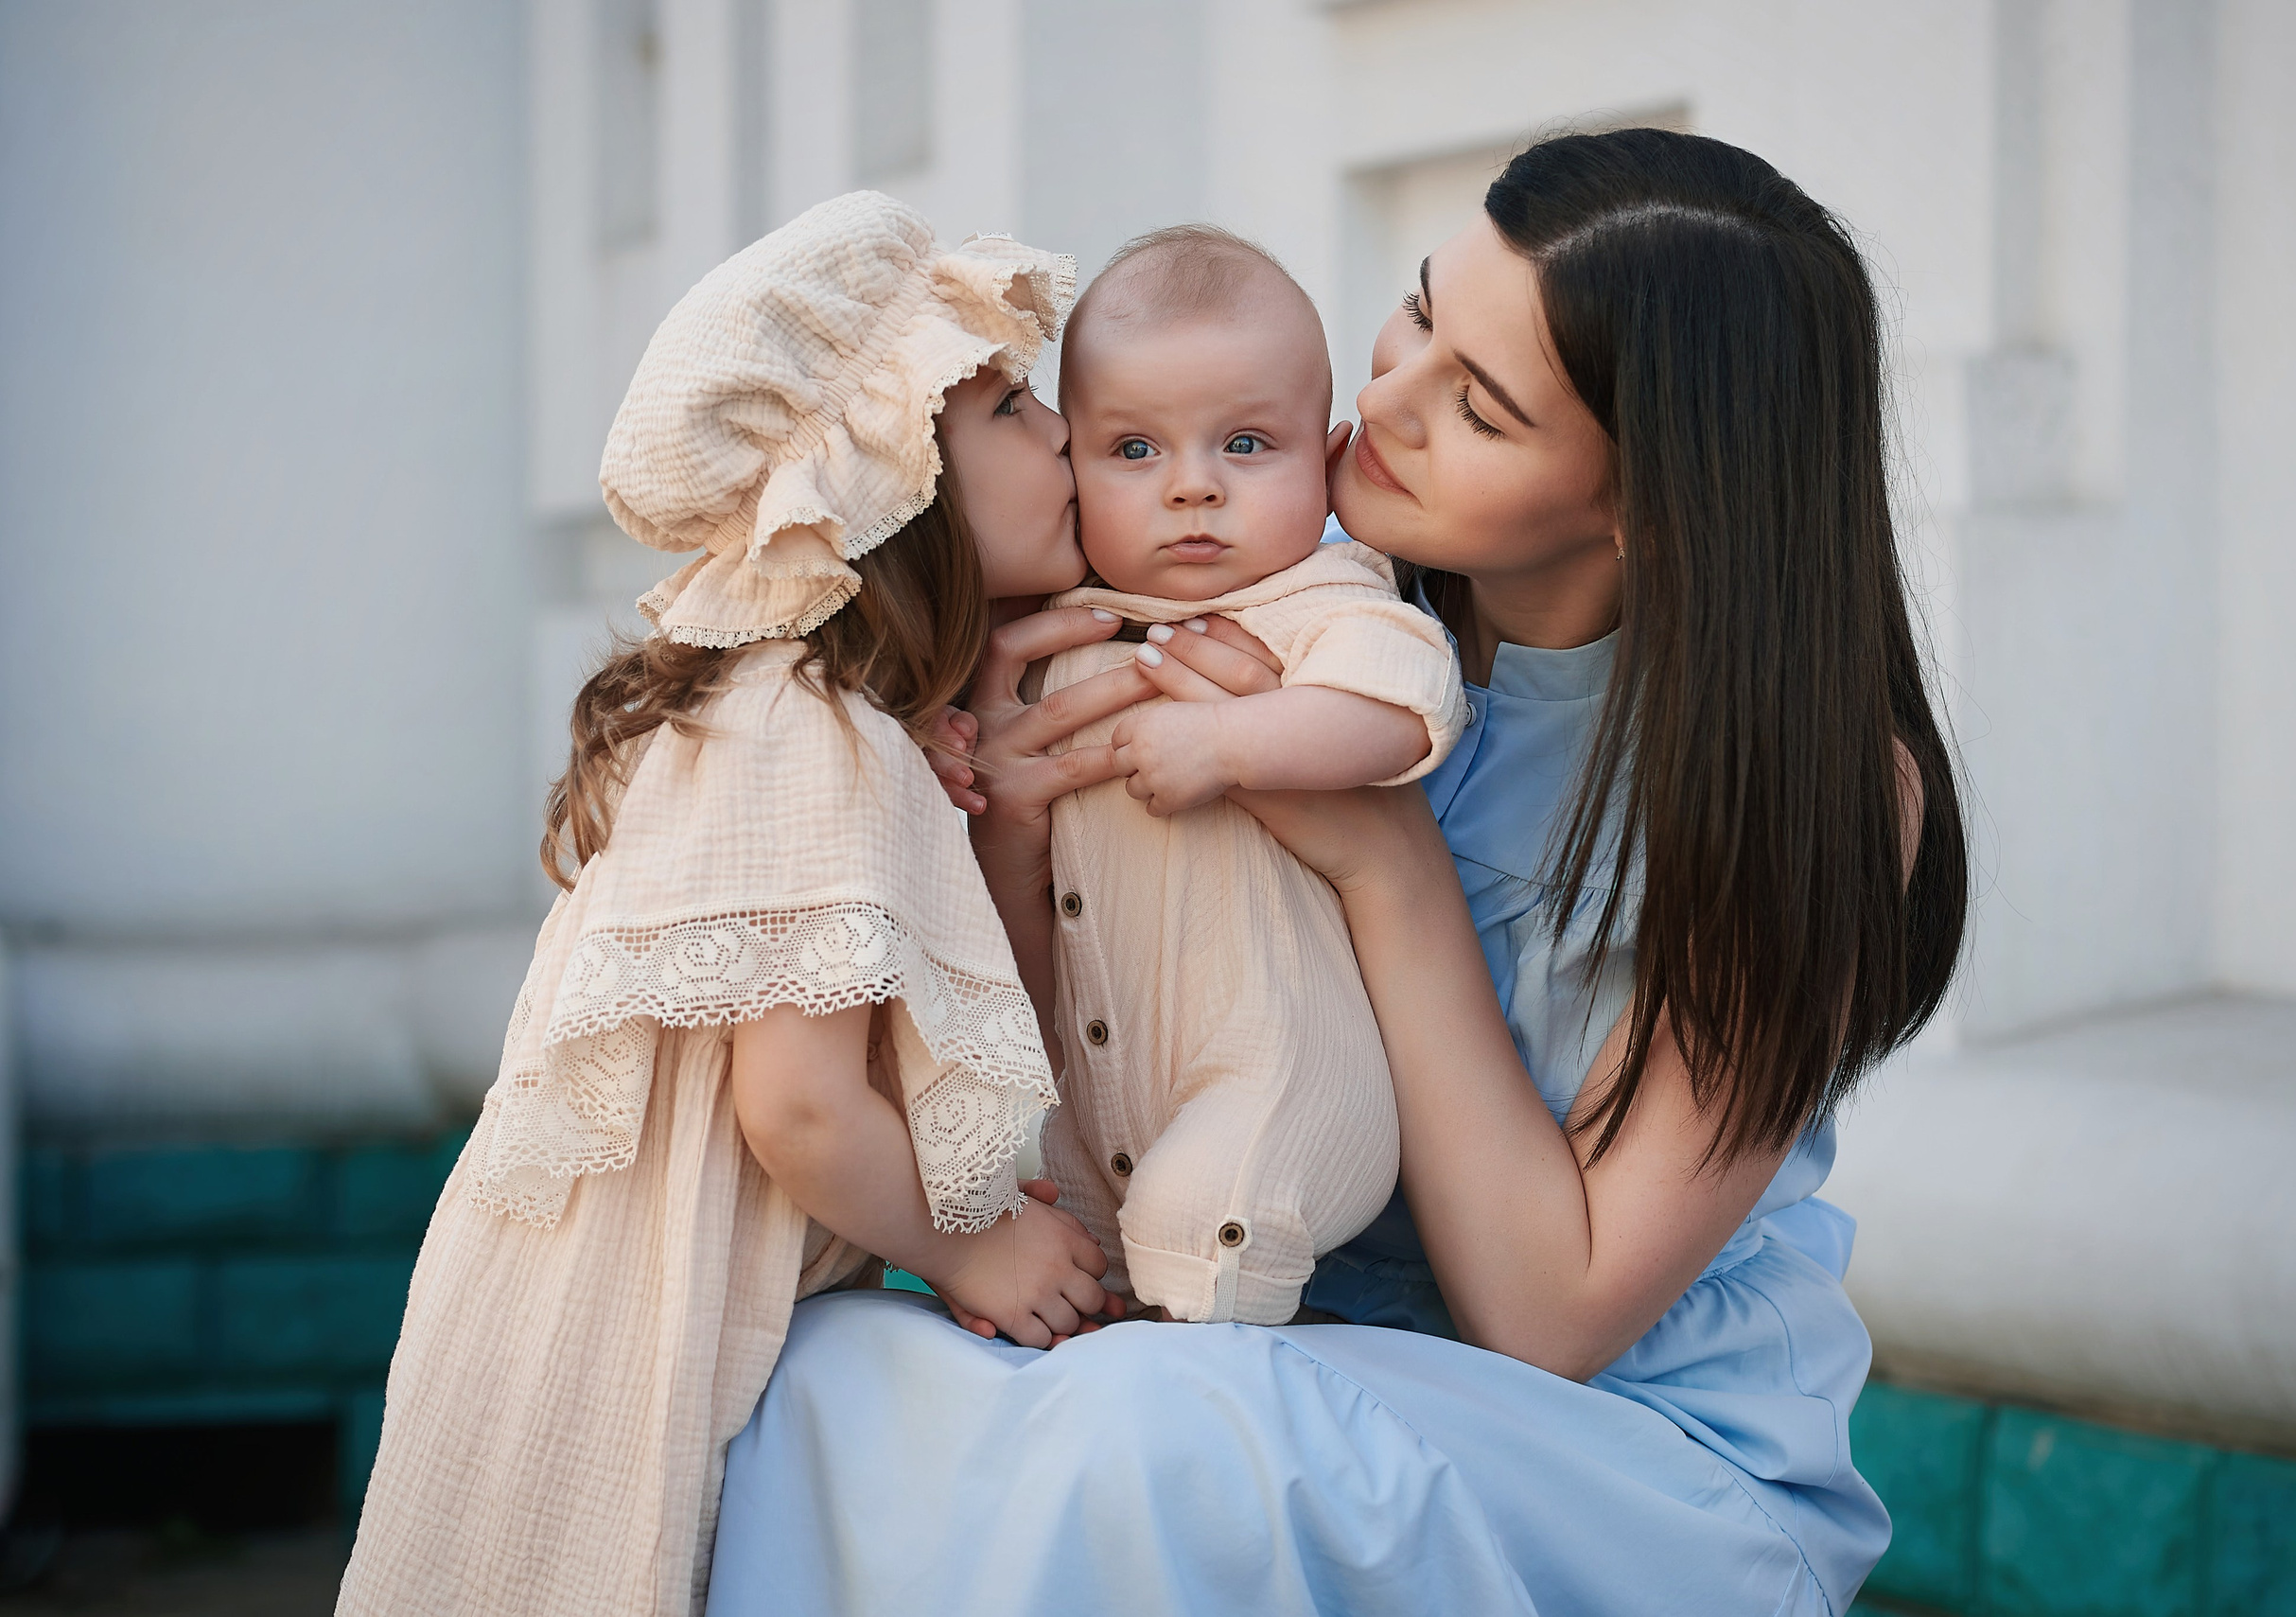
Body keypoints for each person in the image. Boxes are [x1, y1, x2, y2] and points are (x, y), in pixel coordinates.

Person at [707, 129, 1968, 1617]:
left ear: (1650, 500)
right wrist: (1018, 825)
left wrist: (1385, 860)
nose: (1382, 401)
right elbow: (1088, 1076)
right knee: (835, 1376)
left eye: (1479, 407)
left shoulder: (1809, 778)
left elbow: (1548, 1313)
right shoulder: (1309, 607)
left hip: (1627, 1461)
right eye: (1425, 312)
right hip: (1264, 1342)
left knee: (1159, 1429)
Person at [338, 192, 1130, 1617]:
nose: (1066, 427)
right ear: (892, 488)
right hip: (609, 1338)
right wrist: (974, 1245)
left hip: (616, 1302)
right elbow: (802, 1107)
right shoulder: (803, 727)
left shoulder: (826, 717)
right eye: (1011, 404)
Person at [1021, 224, 1466, 1325]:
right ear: (1070, 462)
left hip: (1281, 1081)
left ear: (1321, 459)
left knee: (1202, 1212)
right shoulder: (1052, 626)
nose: (1191, 490)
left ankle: (1202, 1350)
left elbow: (1400, 705)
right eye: (1134, 451)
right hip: (1093, 1095)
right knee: (1054, 1240)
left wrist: (1232, 743)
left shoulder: (1320, 597)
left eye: (1246, 445)